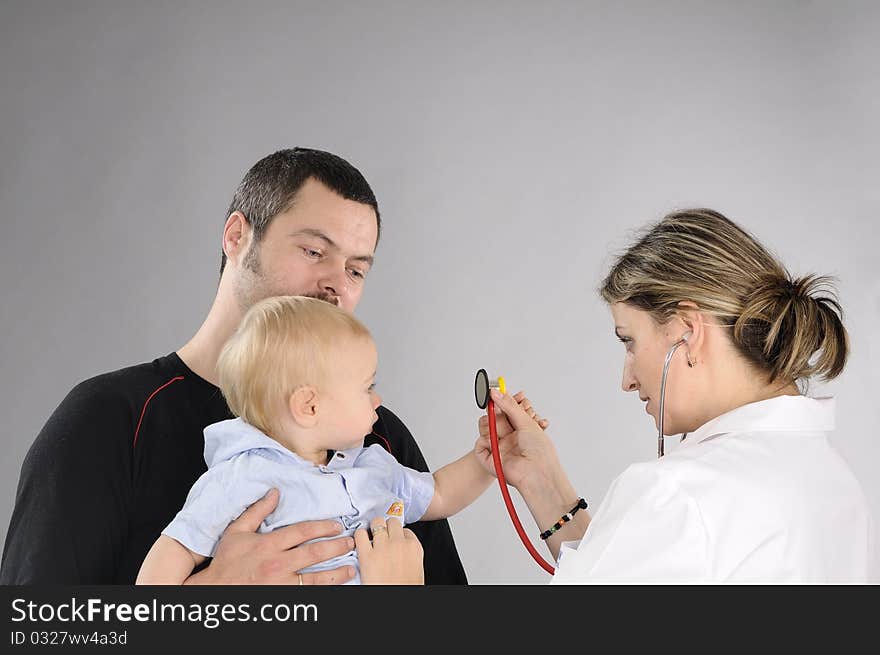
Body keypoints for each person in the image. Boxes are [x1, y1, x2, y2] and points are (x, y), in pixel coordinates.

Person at [1, 147, 468, 585]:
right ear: (237, 237)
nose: (335, 286)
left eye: (356, 270)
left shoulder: (374, 437)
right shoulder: (109, 420)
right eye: (313, 251)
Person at [378, 208, 873, 583]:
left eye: (629, 342)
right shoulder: (836, 483)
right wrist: (543, 482)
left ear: (687, 330)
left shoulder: (681, 494)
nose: (627, 379)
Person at [136, 295, 499, 585]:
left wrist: (484, 462)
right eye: (367, 387)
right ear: (309, 406)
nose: (378, 400)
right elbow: (176, 549)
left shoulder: (370, 466)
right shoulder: (243, 475)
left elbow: (439, 494)